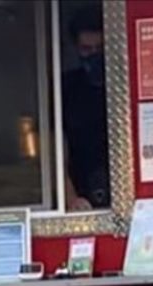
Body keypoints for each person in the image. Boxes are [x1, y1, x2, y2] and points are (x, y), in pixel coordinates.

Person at [62, 4, 110, 211]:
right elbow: (53, 148)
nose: (93, 55)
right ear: (76, 48)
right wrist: (70, 198)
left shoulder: (129, 83)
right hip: (81, 196)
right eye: (86, 49)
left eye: (100, 49)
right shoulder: (65, 89)